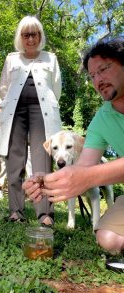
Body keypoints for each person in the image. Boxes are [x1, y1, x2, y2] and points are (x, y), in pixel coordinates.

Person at [23, 37, 124, 255]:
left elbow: (90, 175)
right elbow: (83, 167)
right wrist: (47, 181)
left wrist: (91, 177)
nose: (98, 80)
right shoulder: (100, 120)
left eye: (103, 69)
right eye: (92, 76)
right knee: (108, 239)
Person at [0, 16, 62, 225]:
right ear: (20, 37)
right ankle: (16, 211)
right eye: (26, 35)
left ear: (40, 36)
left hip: (42, 112)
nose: (31, 39)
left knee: (42, 159)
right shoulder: (11, 58)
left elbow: (56, 88)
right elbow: (4, 88)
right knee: (14, 160)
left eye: (35, 34)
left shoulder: (50, 58)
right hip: (15, 112)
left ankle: (44, 214)